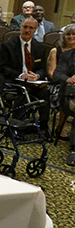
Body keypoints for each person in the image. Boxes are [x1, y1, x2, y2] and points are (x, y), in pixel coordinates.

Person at [46, 25, 75, 164]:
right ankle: (60, 127)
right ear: (64, 36)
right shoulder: (55, 50)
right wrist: (67, 80)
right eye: (68, 34)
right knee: (67, 92)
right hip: (57, 84)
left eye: (74, 34)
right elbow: (52, 73)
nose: (71, 37)